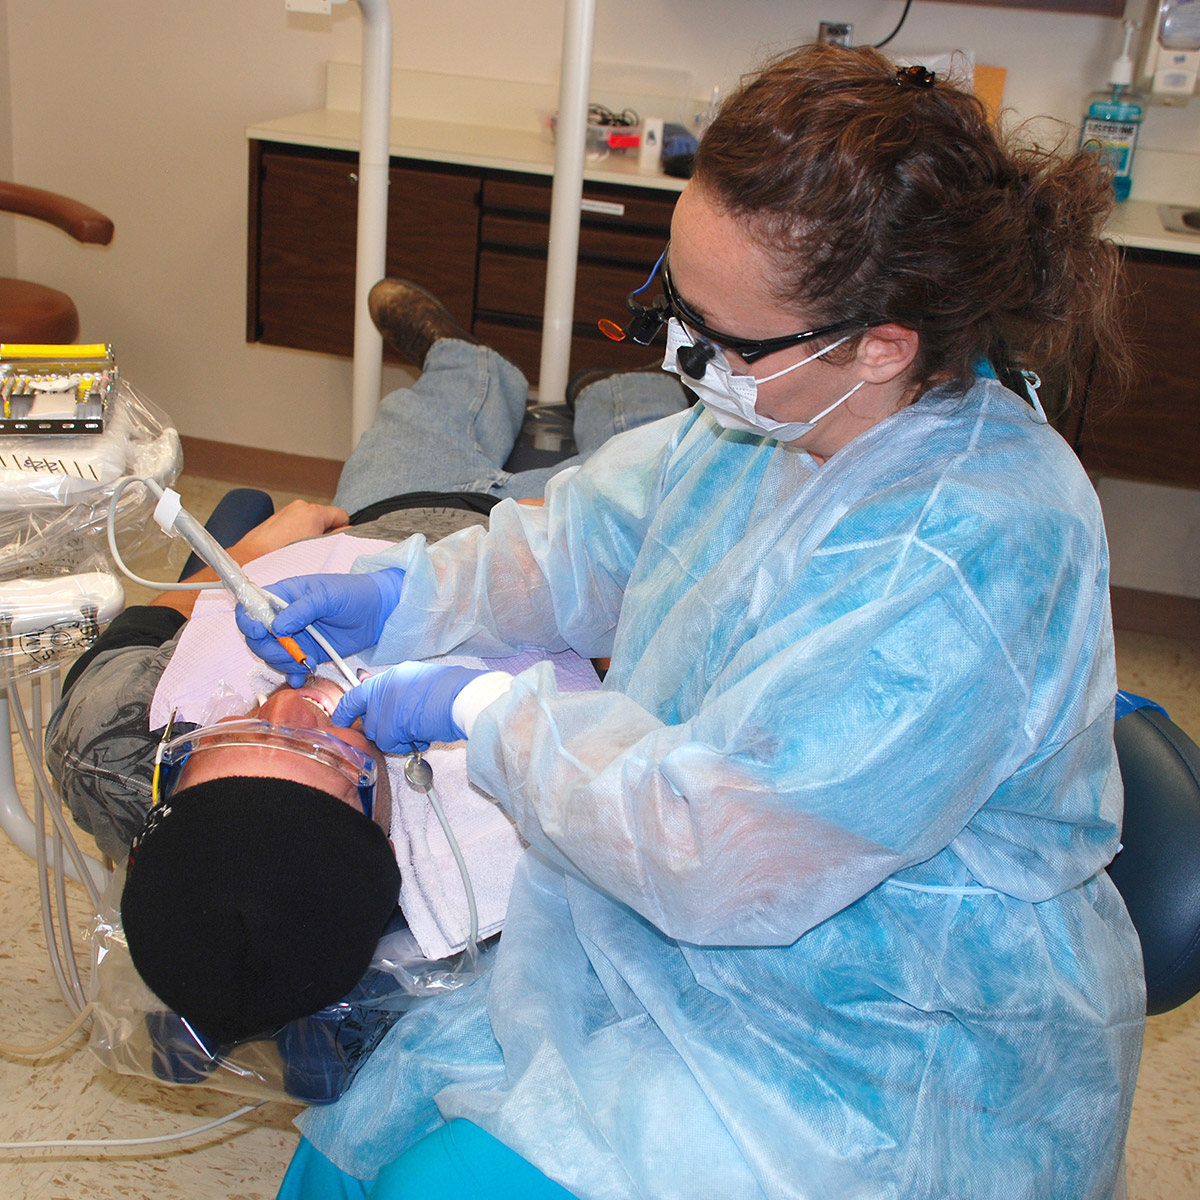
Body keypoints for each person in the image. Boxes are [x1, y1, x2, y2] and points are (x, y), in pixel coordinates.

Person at [240, 44, 1145, 1200]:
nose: (687, 360)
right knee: (340, 1159)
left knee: (431, 1183)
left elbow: (722, 849)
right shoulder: (775, 419)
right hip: (669, 959)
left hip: (885, 1053)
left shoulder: (972, 549)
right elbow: (586, 542)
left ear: (880, 343)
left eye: (726, 339)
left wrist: (489, 716)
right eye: (674, 304)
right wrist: (406, 594)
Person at [44, 292, 690, 1048]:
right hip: (557, 544)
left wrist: (244, 561)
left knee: (442, 398)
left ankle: (465, 357)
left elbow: (144, 627)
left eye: (239, 729)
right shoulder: (517, 872)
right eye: (322, 749)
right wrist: (590, 571)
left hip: (381, 515)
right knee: (649, 432)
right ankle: (622, 383)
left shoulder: (109, 747)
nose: (290, 704)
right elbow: (659, 728)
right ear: (389, 839)